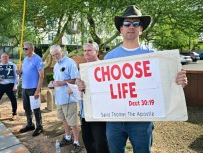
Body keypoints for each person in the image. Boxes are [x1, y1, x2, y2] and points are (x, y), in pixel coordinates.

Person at [78, 5, 188, 153]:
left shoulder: (154, 56)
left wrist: (180, 82)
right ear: (121, 29)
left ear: (141, 29)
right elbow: (100, 89)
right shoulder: (110, 58)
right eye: (127, 24)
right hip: (114, 121)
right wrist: (84, 86)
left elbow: (167, 85)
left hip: (142, 121)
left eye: (136, 23)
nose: (131, 26)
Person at [70, 42, 110, 153]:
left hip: (99, 113)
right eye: (84, 51)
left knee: (101, 143)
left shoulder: (103, 66)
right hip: (84, 113)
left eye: (89, 50)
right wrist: (77, 86)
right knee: (88, 141)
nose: (86, 53)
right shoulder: (82, 68)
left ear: (96, 52)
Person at [50, 44, 81, 153]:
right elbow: (56, 80)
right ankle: (68, 137)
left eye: (57, 54)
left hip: (69, 98)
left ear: (61, 51)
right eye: (53, 55)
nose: (55, 57)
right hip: (59, 98)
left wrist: (61, 83)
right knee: (63, 119)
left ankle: (77, 142)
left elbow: (75, 79)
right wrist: (53, 83)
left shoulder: (70, 63)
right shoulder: (55, 65)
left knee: (72, 121)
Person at [18, 41, 44, 137]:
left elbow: (41, 75)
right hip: (25, 87)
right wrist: (20, 72)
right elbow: (25, 72)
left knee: (36, 108)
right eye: (23, 48)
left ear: (32, 49)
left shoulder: (37, 59)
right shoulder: (25, 59)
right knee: (26, 108)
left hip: (33, 88)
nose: (24, 50)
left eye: (26, 48)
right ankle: (30, 124)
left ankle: (39, 126)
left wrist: (38, 90)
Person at [0, 53, 18, 121]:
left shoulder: (13, 65)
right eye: (3, 57)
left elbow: (16, 76)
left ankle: (14, 114)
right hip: (2, 85)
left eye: (6, 56)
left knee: (13, 99)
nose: (5, 58)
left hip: (10, 85)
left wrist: (15, 85)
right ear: (1, 58)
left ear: (8, 57)